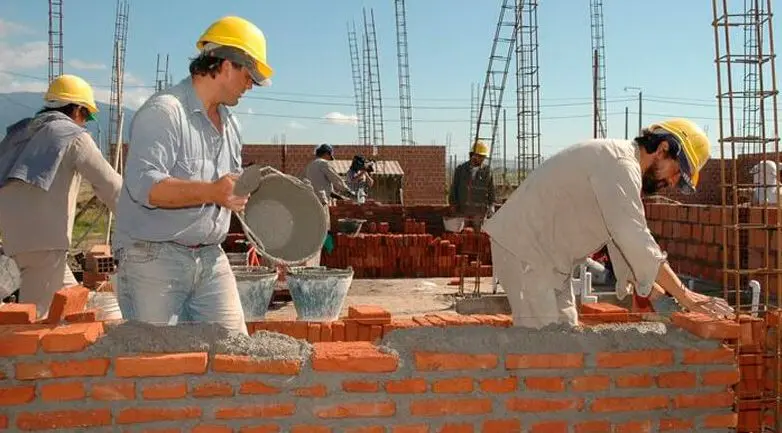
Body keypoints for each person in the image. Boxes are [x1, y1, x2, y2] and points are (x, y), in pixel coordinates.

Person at [483, 118, 734, 328]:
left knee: (565, 333)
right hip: (525, 250)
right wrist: (686, 296)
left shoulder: (623, 170)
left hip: (547, 260)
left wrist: (654, 293)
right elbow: (634, 237)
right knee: (543, 346)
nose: (671, 184)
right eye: (677, 173)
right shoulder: (619, 164)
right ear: (663, 149)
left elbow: (620, 240)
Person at [113, 16, 274, 335]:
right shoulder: (164, 113)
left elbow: (228, 190)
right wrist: (213, 192)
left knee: (235, 352)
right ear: (227, 65)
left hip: (211, 258)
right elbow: (146, 187)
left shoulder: (231, 125)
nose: (250, 85)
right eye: (248, 75)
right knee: (158, 366)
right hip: (154, 258)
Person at [0, 74, 121, 318]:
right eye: (86, 116)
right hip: (44, 242)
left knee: (76, 303)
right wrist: (140, 223)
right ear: (76, 109)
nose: (84, 122)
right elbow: (111, 185)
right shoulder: (72, 135)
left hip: (16, 240)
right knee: (40, 321)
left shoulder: (21, 132)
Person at [449, 140, 496, 232]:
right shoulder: (461, 170)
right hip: (463, 210)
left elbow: (491, 190)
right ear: (473, 155)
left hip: (479, 212)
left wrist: (491, 205)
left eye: (483, 157)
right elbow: (454, 187)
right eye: (480, 156)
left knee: (478, 238)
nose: (482, 159)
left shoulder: (487, 171)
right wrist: (453, 204)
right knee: (462, 236)